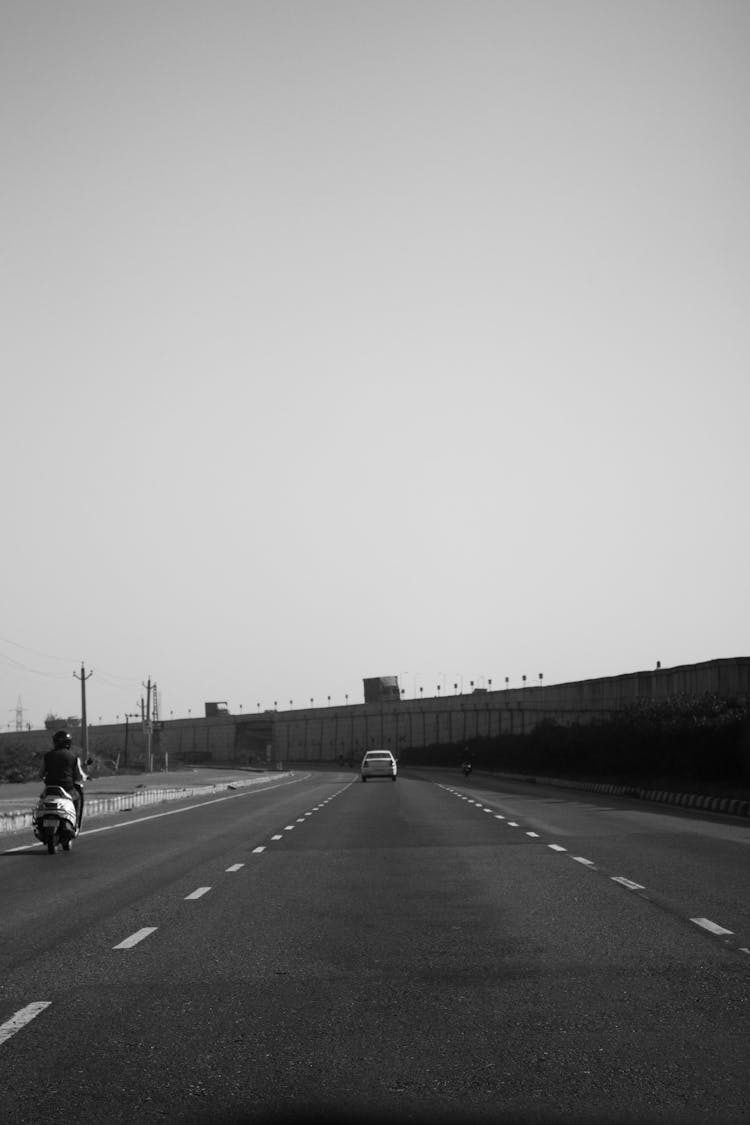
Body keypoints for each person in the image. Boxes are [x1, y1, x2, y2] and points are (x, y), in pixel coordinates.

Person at [39, 730, 87, 829]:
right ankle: (76, 824)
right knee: (78, 798)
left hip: (50, 789)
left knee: (41, 801)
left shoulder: (47, 756)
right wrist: (85, 777)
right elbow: (79, 776)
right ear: (68, 743)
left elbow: (40, 774)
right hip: (67, 789)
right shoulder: (73, 757)